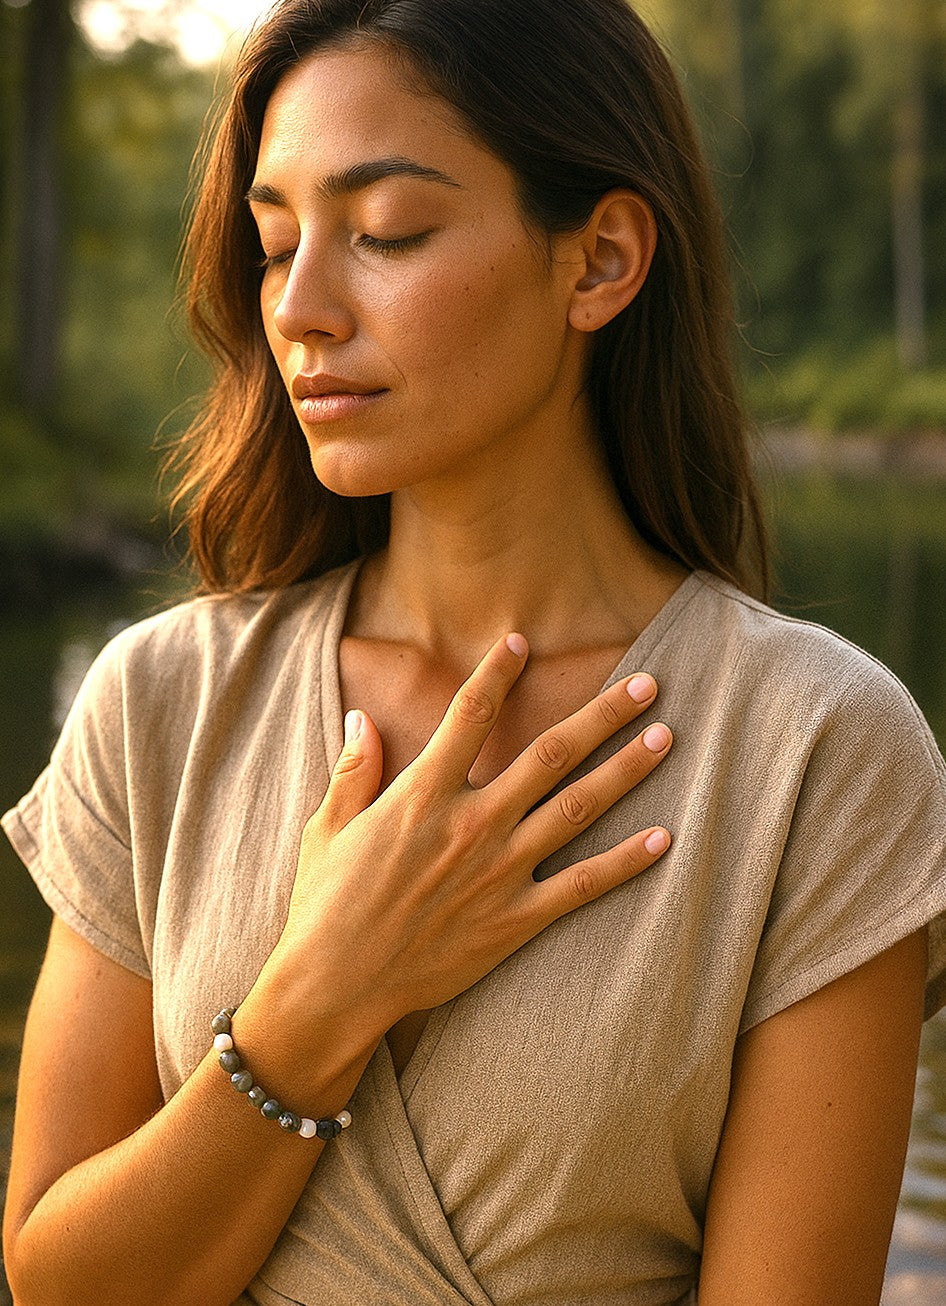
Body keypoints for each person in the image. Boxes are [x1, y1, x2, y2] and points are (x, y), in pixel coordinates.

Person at [3, 0, 945, 1302]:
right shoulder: (162, 702)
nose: (302, 311)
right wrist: (313, 1004)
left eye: (386, 232)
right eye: (275, 244)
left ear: (600, 259)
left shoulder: (815, 750)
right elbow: (60, 1285)